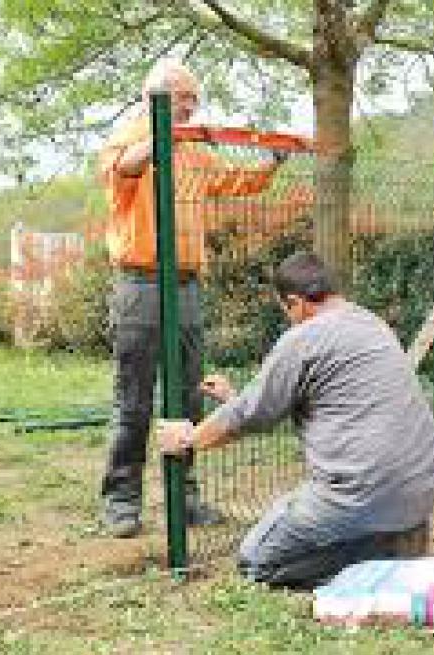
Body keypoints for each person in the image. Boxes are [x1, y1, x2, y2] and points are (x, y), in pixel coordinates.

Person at [157, 252, 434, 588]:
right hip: (425, 481)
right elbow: (321, 406)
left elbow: (248, 417)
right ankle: (394, 538)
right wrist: (234, 399)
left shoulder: (303, 339)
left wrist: (187, 440)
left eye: (286, 310)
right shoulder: (372, 323)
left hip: (360, 490)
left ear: (295, 303)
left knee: (256, 562)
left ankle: (379, 557)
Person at [96, 59, 287, 537]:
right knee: (134, 398)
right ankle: (121, 502)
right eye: (184, 99)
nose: (192, 108)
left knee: (188, 395)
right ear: (156, 97)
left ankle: (185, 498)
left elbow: (232, 180)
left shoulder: (196, 150)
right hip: (140, 283)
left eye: (194, 101)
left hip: (185, 285)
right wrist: (162, 135)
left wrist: (270, 164)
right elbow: (123, 169)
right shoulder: (129, 137)